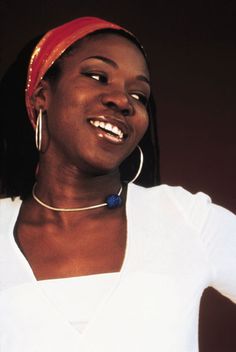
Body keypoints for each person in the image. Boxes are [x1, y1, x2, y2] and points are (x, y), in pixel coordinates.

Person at [0, 16, 235, 352]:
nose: (123, 101)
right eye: (97, 76)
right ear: (41, 96)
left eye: (139, 95)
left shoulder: (184, 217)